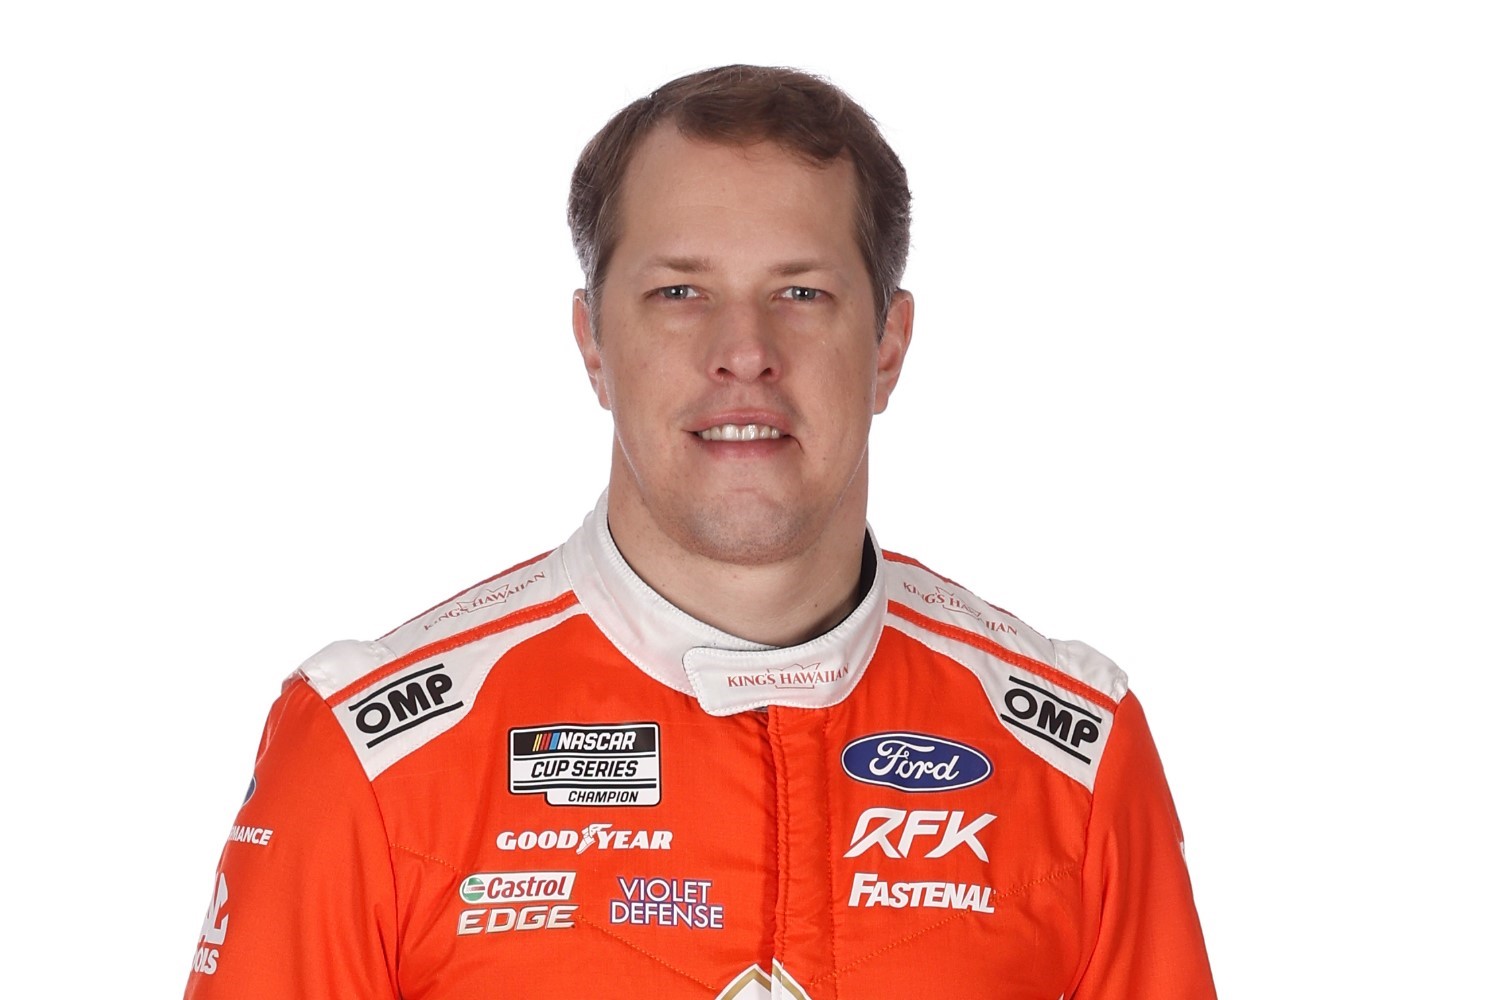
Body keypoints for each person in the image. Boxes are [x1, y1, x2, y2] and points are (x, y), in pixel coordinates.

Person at [183, 64, 1216, 999]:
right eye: (679, 292)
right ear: (593, 342)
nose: (744, 350)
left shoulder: (1075, 762)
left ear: (888, 348)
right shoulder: (369, 759)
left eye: (801, 292)